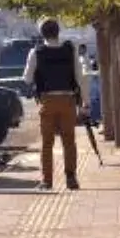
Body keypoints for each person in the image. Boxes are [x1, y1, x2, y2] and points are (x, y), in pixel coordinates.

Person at [23, 18, 89, 190]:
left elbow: (27, 78)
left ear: (41, 34)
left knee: (47, 143)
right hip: (68, 100)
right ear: (58, 32)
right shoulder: (69, 49)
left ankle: (47, 180)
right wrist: (85, 102)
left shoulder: (36, 52)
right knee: (69, 141)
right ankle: (71, 177)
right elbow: (80, 77)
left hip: (48, 101)